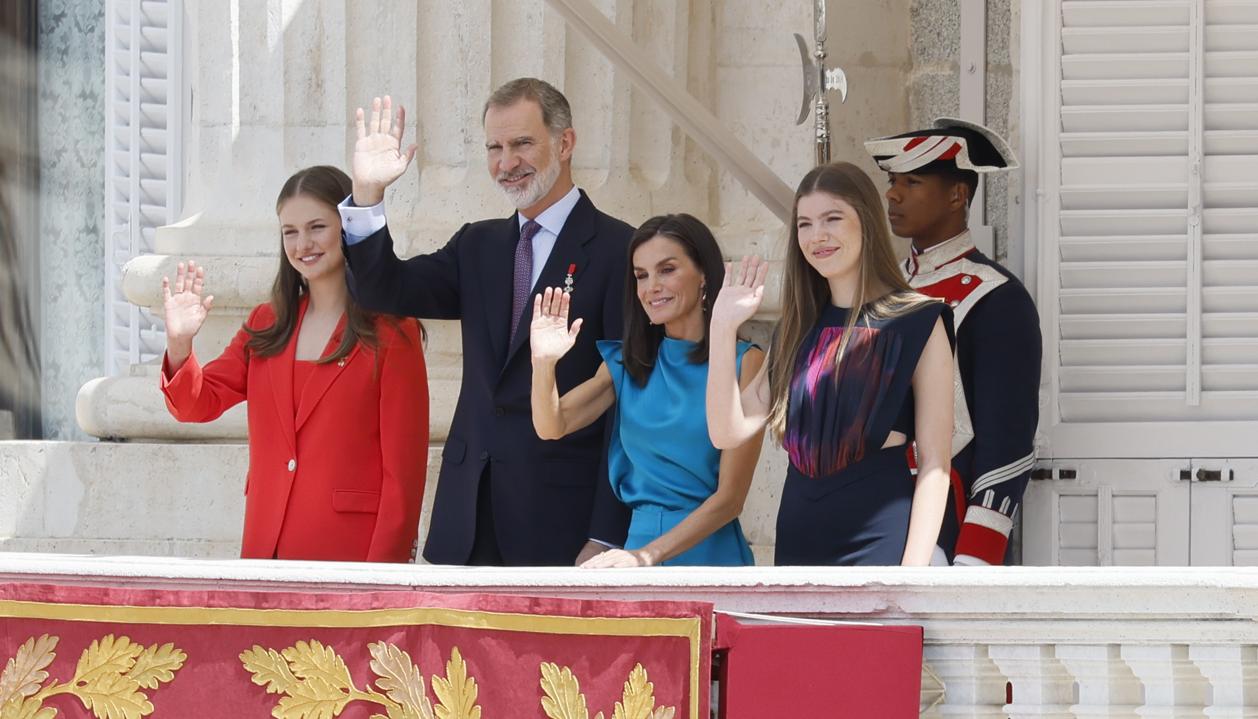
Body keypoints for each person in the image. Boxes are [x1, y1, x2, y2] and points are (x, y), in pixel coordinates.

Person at [339, 79, 632, 566]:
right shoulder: (479, 245)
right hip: (467, 517)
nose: (506, 162)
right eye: (494, 147)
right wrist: (368, 193)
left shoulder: (619, 249)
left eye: (521, 143)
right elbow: (382, 288)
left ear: (565, 142)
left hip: (563, 521)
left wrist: (607, 531)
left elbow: (626, 401)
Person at [160, 165, 429, 562]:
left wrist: (380, 583)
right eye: (290, 231)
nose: (303, 243)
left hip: (352, 560)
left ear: (346, 227)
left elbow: (403, 479)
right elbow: (195, 404)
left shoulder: (392, 332)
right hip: (266, 552)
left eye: (317, 227)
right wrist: (180, 343)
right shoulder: (266, 324)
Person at [706, 161, 955, 566]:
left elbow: (935, 464)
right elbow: (726, 432)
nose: (816, 235)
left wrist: (912, 576)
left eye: (832, 218)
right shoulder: (797, 327)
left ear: (866, 222)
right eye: (804, 224)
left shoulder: (919, 319)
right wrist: (721, 328)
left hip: (880, 541)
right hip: (798, 538)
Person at [530, 214, 765, 567]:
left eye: (667, 270)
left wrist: (646, 556)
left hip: (708, 556)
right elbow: (552, 425)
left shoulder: (745, 362)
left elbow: (730, 499)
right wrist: (544, 364)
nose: (651, 286)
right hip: (634, 554)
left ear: (703, 275)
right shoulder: (627, 361)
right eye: (641, 276)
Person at [866, 118, 1042, 566]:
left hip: (946, 520)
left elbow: (1008, 443)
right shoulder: (883, 289)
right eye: (892, 181)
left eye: (912, 181)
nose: (893, 194)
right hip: (869, 516)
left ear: (957, 195)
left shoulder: (996, 296)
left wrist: (975, 557)